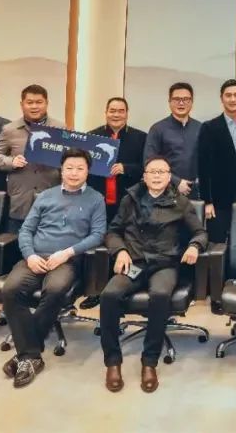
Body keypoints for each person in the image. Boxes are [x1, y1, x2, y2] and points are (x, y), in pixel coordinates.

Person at [99, 156, 206, 393]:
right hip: (135, 262)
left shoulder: (180, 202)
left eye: (162, 172)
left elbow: (200, 232)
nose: (157, 176)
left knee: (160, 295)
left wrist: (194, 246)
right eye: (152, 172)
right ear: (144, 176)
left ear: (169, 177)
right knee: (109, 295)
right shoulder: (130, 199)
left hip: (164, 264)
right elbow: (113, 232)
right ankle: (113, 362)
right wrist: (120, 251)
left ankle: (149, 362)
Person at [1, 148, 106, 388]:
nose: (74, 173)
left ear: (88, 171)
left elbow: (98, 234)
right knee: (10, 290)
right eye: (69, 168)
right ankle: (31, 355)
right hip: (35, 257)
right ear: (61, 170)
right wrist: (29, 255)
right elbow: (26, 230)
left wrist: (67, 253)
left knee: (56, 289)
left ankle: (26, 354)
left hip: (67, 260)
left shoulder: (95, 199)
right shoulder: (45, 196)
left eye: (80, 168)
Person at [81, 96, 146, 310]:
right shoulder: (92, 137)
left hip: (128, 202)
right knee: (97, 244)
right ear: (106, 112)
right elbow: (83, 167)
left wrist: (126, 168)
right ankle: (96, 290)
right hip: (99, 201)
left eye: (120, 111)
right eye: (112, 110)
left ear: (127, 114)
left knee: (125, 244)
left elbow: (146, 168)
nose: (116, 114)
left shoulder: (140, 138)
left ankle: (121, 288)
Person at [0, 85, 66, 232]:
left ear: (46, 103)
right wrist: (11, 162)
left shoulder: (60, 128)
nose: (34, 106)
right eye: (30, 102)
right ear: (22, 104)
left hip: (51, 196)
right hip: (20, 199)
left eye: (39, 102)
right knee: (16, 241)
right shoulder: (10, 129)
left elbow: (70, 158)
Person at [197, 79, 236, 243]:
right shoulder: (209, 127)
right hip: (219, 198)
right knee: (218, 242)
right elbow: (203, 167)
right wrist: (207, 201)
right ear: (222, 98)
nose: (233, 99)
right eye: (228, 95)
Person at [144, 83, 201, 199]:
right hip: (166, 192)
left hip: (196, 193)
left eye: (186, 99)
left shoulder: (201, 128)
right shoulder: (157, 129)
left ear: (191, 102)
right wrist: (177, 182)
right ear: (169, 102)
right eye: (176, 99)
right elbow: (149, 162)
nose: (181, 103)